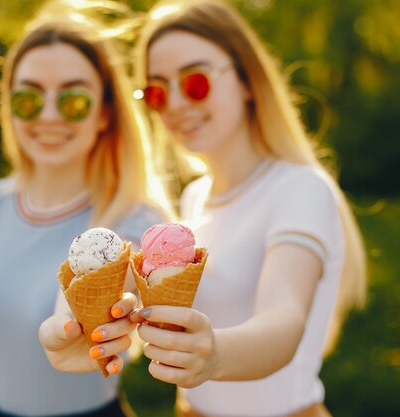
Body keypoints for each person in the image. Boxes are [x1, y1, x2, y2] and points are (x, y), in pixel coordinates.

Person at [40, 0, 367, 416]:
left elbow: (284, 320)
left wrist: (214, 355)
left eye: (194, 82)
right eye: (157, 91)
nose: (174, 104)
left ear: (248, 80)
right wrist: (72, 323)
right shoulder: (194, 199)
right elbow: (117, 276)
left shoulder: (300, 188)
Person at [0, 2, 172, 416]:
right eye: (29, 99)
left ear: (105, 112)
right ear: (8, 107)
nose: (49, 115)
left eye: (73, 100)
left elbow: (99, 279)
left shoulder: (137, 222)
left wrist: (65, 324)